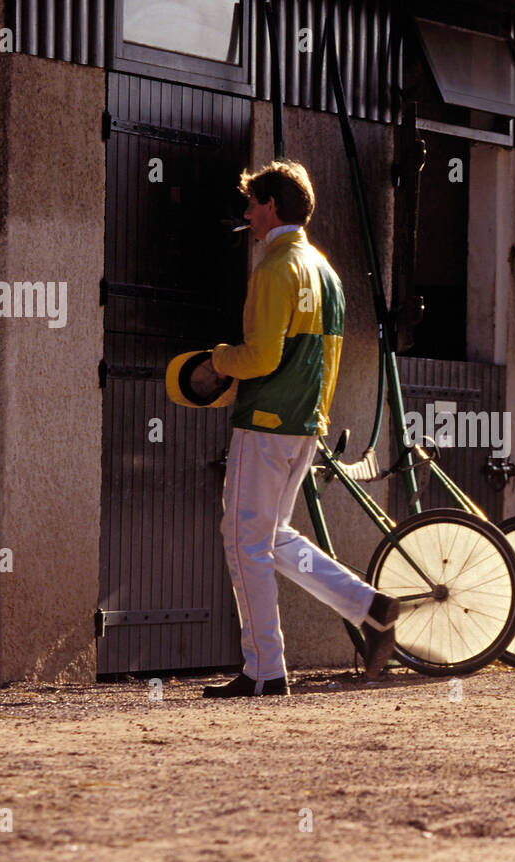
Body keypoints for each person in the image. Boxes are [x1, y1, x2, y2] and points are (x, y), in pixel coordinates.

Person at [198, 159, 398, 698]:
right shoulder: (325, 271)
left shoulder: (273, 267)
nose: (247, 214)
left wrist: (217, 359)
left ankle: (265, 671)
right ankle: (370, 606)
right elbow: (325, 355)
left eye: (252, 204)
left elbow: (261, 357)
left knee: (244, 542)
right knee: (271, 537)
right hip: (307, 423)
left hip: (266, 421)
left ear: (270, 207)